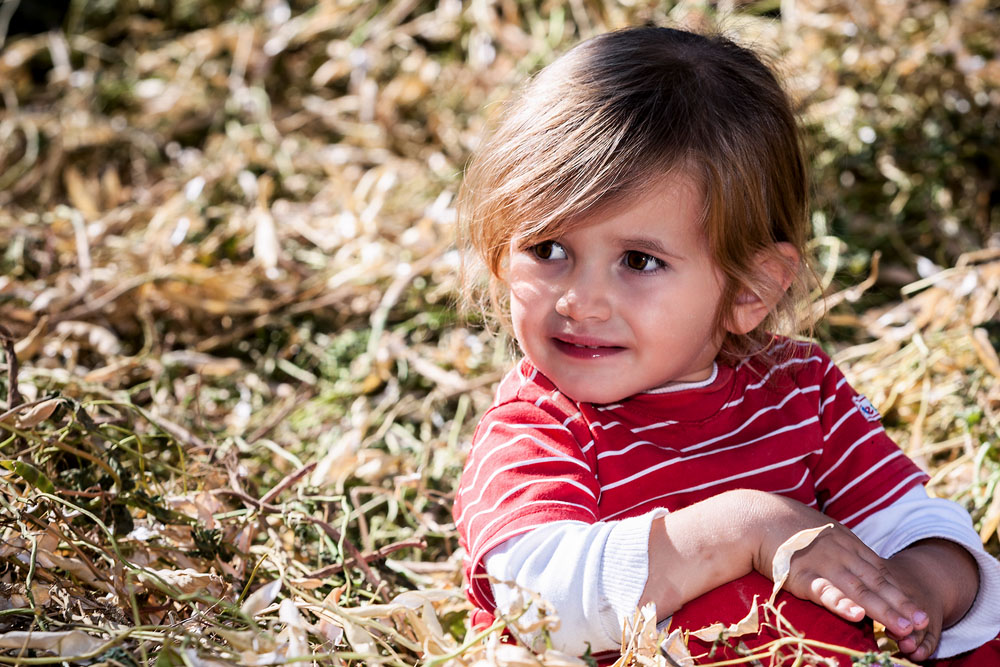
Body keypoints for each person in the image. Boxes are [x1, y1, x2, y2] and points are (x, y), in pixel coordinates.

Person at [452, 24, 1000, 666]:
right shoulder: (538, 429)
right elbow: (540, 610)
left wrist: (916, 591)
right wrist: (747, 529)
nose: (581, 301)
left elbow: (916, 523)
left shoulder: (801, 393)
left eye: (638, 260)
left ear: (750, 288)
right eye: (548, 249)